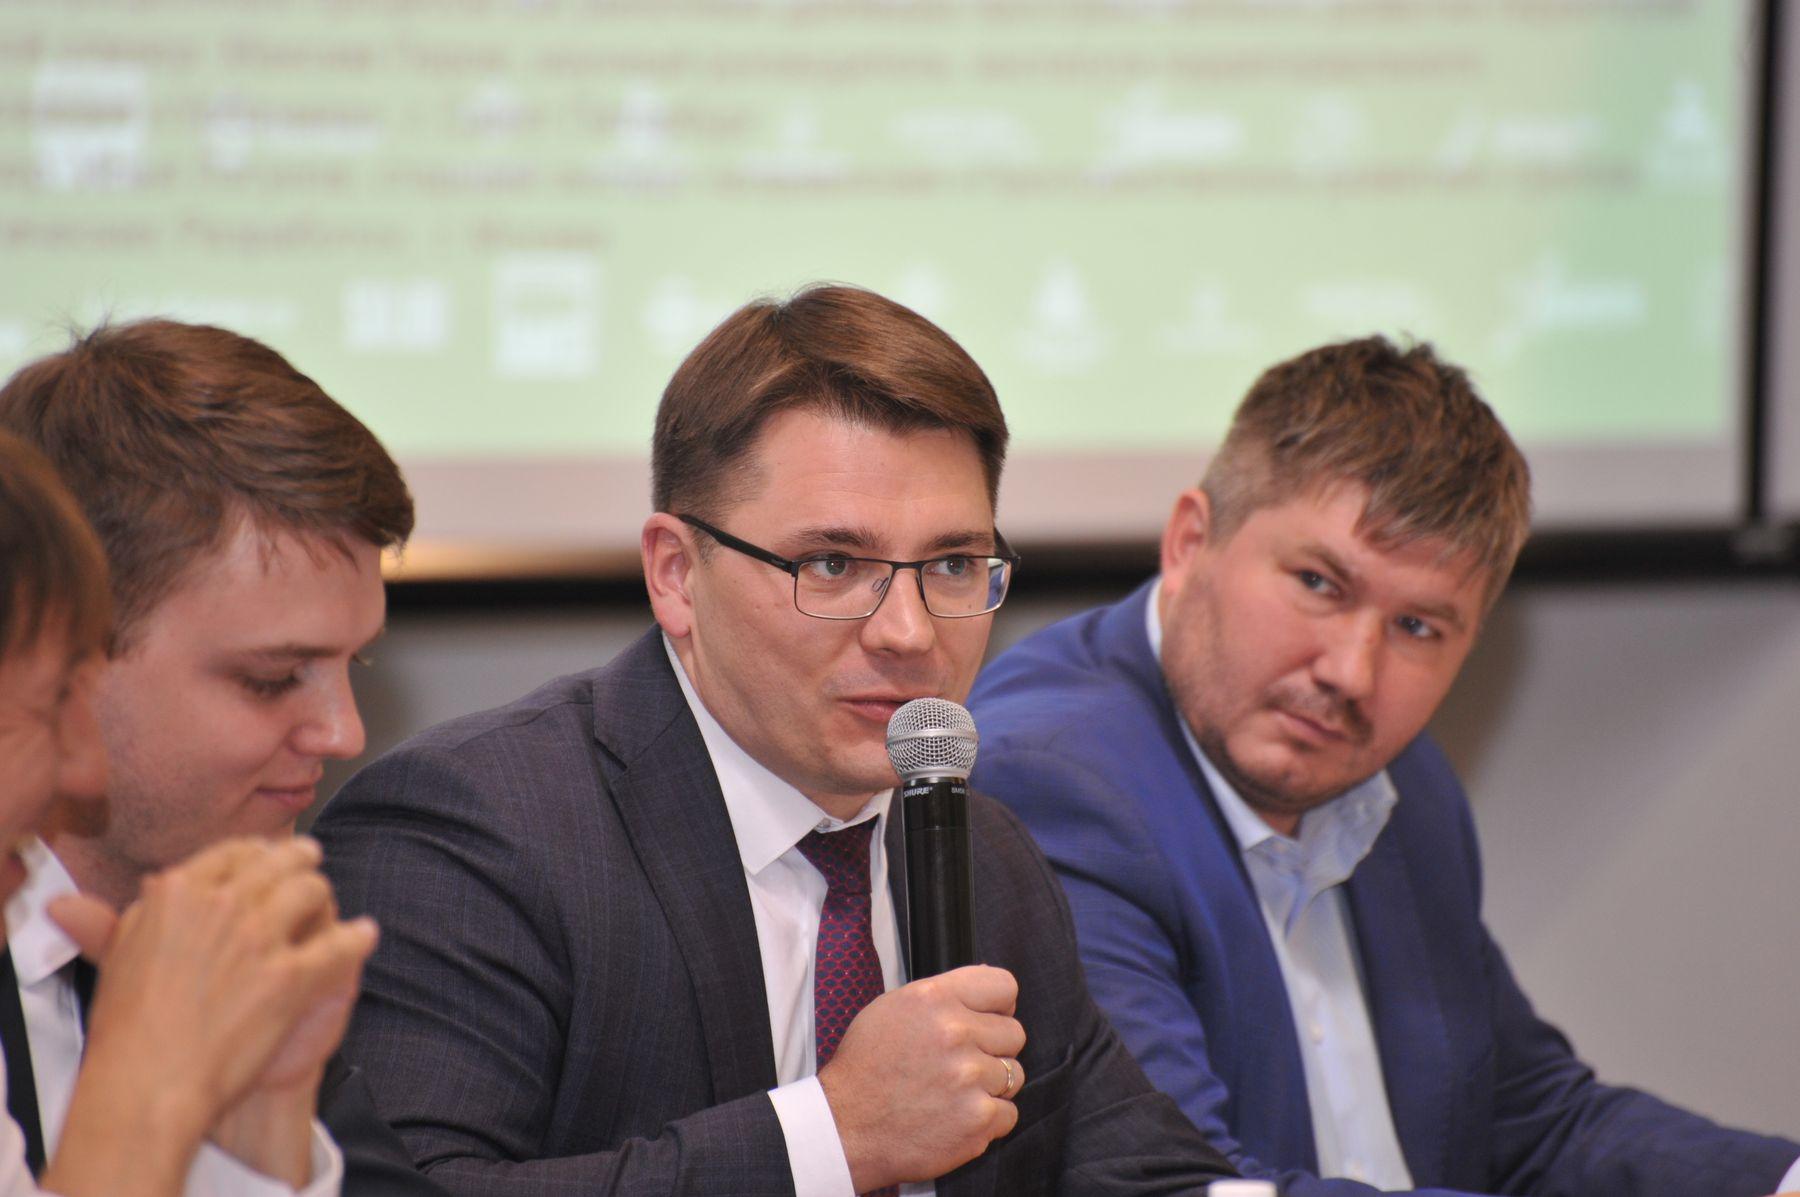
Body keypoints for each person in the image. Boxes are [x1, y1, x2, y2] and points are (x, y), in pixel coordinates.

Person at [313, 284, 1237, 1195]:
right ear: (676, 574)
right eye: (833, 563)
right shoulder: (474, 833)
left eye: (954, 564)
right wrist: (836, 1137)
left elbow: (1141, 1168)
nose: (910, 631)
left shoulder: (983, 854)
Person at [965, 335, 1800, 1196]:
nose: (1351, 673)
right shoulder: (1052, 785)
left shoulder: (1400, 785)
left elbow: (1532, 1120)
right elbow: (1179, 1183)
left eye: (1418, 627)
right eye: (1319, 584)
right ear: (1190, 541)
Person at [0, 321, 443, 1195]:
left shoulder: (235, 933)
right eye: (271, 678)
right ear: (74, 658)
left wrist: (260, 1143)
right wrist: (149, 1092)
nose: (344, 733)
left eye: (352, 664)